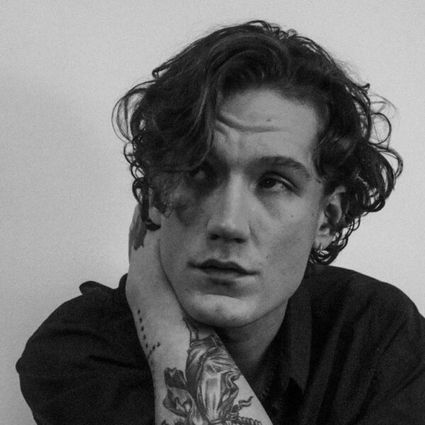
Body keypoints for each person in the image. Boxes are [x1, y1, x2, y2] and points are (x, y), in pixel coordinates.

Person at [17, 20, 425, 425]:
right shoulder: (77, 350)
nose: (229, 223)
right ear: (156, 197)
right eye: (199, 171)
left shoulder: (376, 332)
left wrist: (159, 309)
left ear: (327, 220)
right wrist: (161, 316)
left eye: (273, 182)